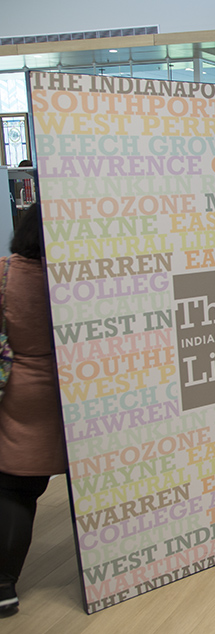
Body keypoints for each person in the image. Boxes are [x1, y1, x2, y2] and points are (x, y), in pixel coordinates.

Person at [0, 204, 66, 617]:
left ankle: (4, 583)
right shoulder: (94, 274)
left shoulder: (8, 273)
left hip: (25, 391)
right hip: (92, 390)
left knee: (15, 488)